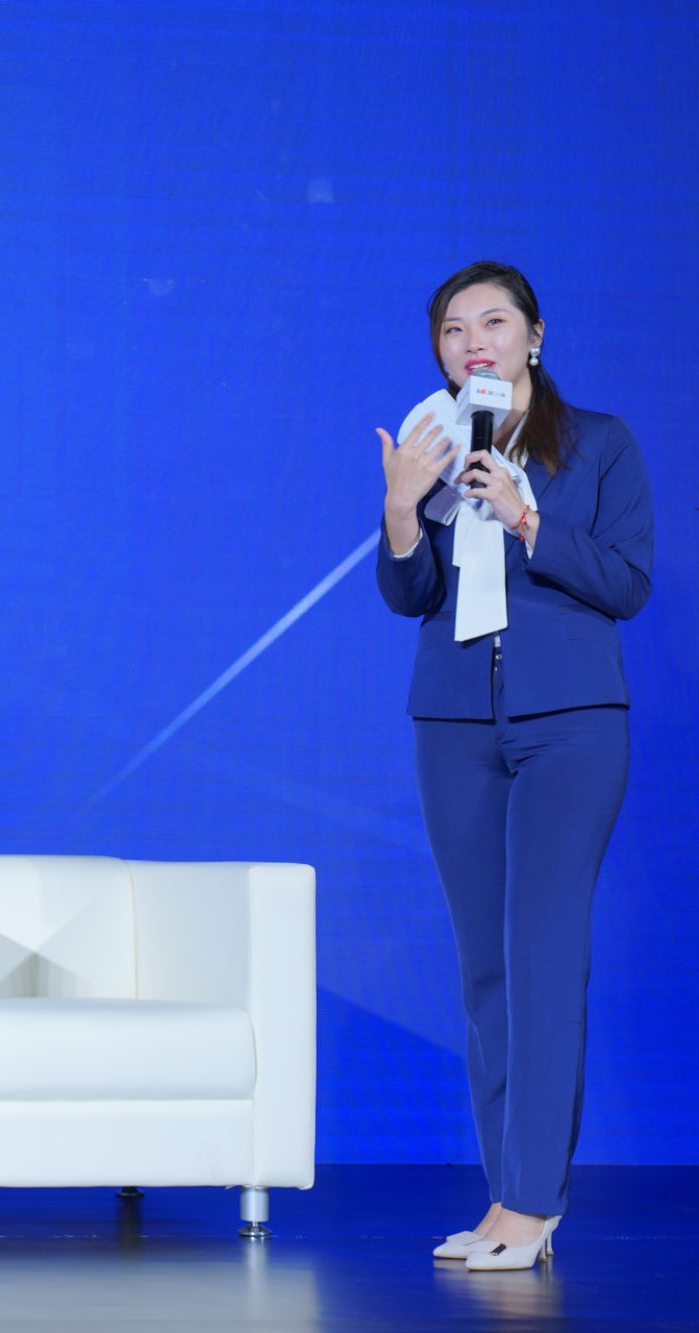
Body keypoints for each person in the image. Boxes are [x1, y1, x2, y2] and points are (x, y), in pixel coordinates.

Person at [377, 262, 652, 1271]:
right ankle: (504, 1199)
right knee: (484, 968)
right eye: (453, 329)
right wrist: (401, 507)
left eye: (492, 322)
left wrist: (528, 517)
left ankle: (534, 1205)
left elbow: (626, 582)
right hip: (453, 722)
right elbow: (408, 593)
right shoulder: (432, 439)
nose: (472, 342)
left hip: (568, 724)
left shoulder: (599, 444)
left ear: (533, 335)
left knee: (542, 955)